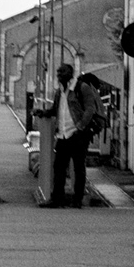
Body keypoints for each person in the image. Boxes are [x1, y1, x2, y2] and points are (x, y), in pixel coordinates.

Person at [39, 61, 101, 209]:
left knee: (79, 168)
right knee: (59, 167)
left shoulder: (82, 88)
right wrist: (43, 113)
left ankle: (77, 200)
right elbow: (55, 109)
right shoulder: (59, 91)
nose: (59, 75)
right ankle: (57, 199)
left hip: (78, 134)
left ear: (70, 74)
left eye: (62, 72)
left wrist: (80, 126)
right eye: (58, 72)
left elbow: (90, 109)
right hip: (63, 135)